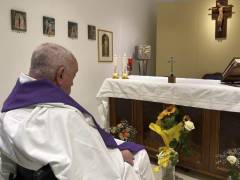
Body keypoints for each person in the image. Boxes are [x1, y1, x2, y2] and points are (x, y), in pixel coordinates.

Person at [0, 43, 154, 180]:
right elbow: (94, 167)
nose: (73, 83)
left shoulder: (9, 111)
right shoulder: (65, 117)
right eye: (73, 76)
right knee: (140, 155)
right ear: (60, 75)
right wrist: (118, 157)